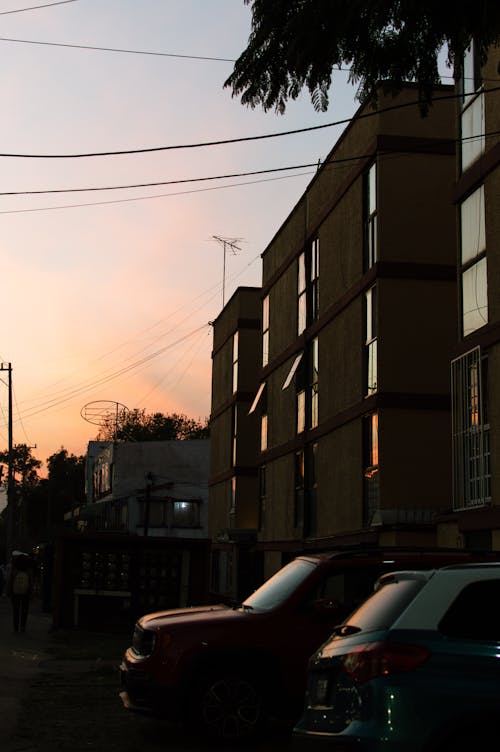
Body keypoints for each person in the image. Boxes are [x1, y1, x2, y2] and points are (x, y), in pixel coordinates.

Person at [6, 552, 34, 633]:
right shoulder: (28, 571)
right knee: (24, 610)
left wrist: (9, 591)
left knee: (16, 610)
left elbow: (10, 582)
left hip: (15, 593)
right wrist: (31, 593)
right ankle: (22, 627)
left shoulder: (15, 570)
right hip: (26, 593)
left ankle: (16, 627)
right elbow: (31, 583)